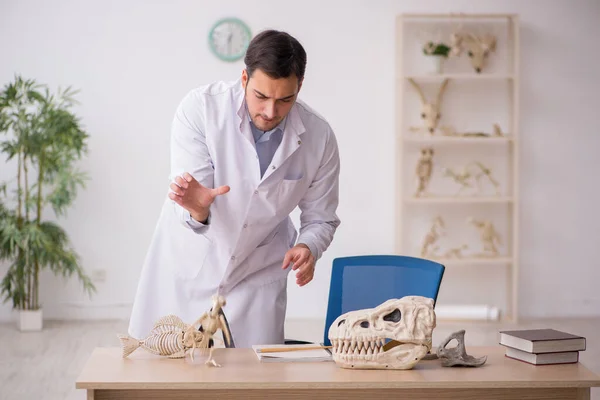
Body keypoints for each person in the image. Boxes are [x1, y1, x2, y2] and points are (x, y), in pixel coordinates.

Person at [127, 29, 341, 349]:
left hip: (259, 272)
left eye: (285, 99)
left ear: (300, 87)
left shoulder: (319, 136)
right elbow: (194, 201)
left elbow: (321, 218)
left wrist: (309, 246)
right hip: (192, 260)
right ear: (244, 78)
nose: (271, 111)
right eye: (261, 96)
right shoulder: (201, 109)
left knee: (253, 381)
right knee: (166, 372)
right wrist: (198, 208)